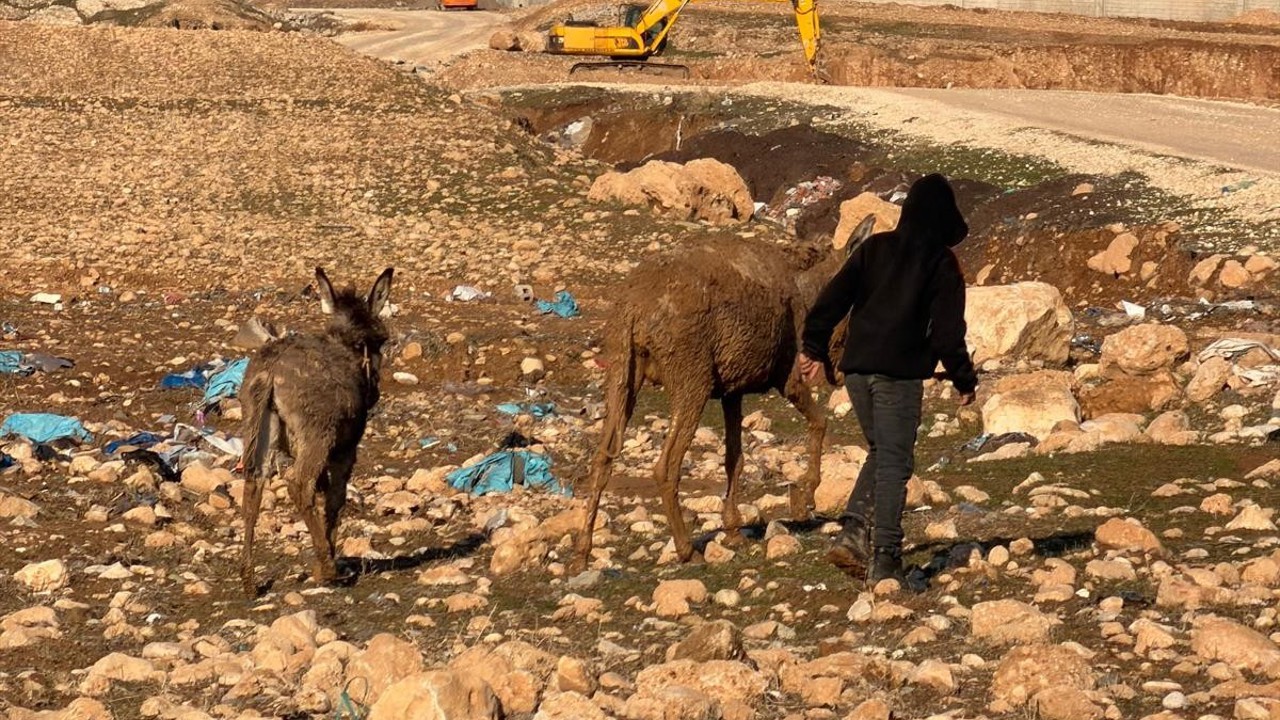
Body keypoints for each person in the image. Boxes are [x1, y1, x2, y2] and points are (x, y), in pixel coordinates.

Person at [798, 173, 978, 585]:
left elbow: (831, 299)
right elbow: (949, 333)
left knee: (882, 451)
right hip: (898, 377)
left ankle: (853, 533)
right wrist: (964, 380)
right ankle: (886, 559)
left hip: (858, 373)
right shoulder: (941, 263)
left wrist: (812, 348)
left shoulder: (875, 249)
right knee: (896, 462)